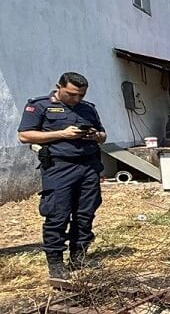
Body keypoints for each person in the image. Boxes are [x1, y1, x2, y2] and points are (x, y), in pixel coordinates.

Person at [17, 72, 107, 279]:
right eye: (71, 94)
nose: (76, 99)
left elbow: (103, 136)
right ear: (59, 87)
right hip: (59, 167)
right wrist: (62, 134)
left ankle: (79, 256)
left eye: (81, 95)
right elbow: (24, 135)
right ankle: (56, 261)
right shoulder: (39, 106)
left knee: (85, 213)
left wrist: (96, 135)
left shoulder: (88, 108)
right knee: (57, 214)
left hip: (89, 166)